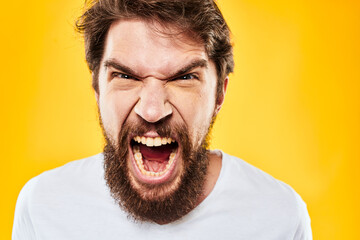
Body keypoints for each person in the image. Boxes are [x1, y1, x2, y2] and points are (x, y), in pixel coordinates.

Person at [12, 0, 312, 239]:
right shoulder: (42, 207)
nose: (153, 111)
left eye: (183, 77)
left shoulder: (279, 216)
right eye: (126, 76)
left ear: (219, 94)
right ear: (97, 88)